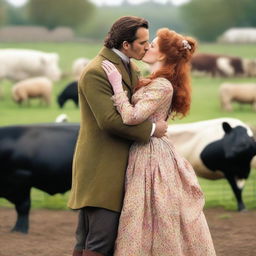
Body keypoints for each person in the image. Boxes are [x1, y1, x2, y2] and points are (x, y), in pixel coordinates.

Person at [102, 28, 216, 255]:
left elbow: (131, 117)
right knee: (144, 211)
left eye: (152, 45)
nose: (147, 47)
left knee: (151, 211)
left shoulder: (163, 85)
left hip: (152, 155)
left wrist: (116, 86)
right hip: (145, 148)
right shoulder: (153, 80)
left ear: (162, 55)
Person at [68, 16, 168, 256]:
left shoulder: (128, 66)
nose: (147, 47)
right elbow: (109, 121)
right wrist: (153, 130)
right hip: (102, 169)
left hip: (115, 167)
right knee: (99, 242)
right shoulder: (96, 71)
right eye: (143, 43)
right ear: (126, 44)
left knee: (88, 242)